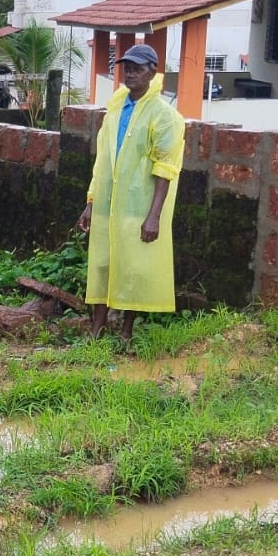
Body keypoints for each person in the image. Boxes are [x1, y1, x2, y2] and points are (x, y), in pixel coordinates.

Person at [76, 43, 184, 344]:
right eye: (128, 67)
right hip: (108, 202)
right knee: (102, 263)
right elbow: (102, 161)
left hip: (138, 204)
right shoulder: (115, 110)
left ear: (152, 71)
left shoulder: (164, 116)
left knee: (132, 267)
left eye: (138, 68)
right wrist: (91, 202)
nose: (131, 73)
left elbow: (165, 168)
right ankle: (97, 329)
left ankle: (126, 331)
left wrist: (154, 216)